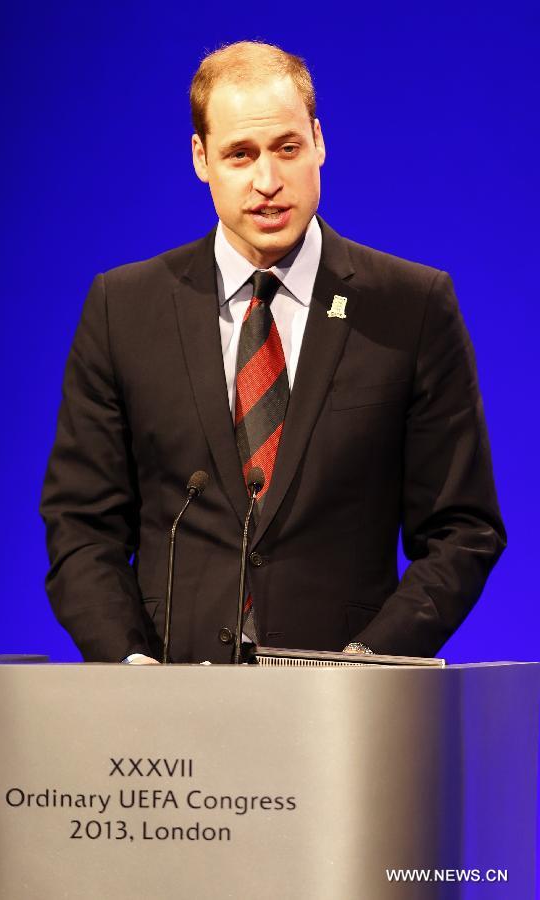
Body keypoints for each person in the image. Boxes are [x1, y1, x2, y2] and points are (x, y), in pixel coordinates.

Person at [40, 41, 505, 665]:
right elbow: (82, 524)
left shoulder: (411, 306)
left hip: (344, 713)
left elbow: (462, 529)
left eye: (287, 148)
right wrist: (129, 667)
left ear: (319, 141)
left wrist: (368, 664)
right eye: (240, 154)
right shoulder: (123, 308)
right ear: (201, 159)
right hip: (167, 699)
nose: (268, 182)